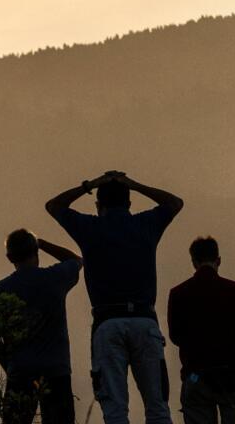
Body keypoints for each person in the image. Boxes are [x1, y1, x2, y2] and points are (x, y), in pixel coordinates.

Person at [46, 171, 183, 424]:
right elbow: (175, 203)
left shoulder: (90, 228)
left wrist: (90, 184)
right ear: (129, 204)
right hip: (144, 321)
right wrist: (135, 184)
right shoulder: (146, 224)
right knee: (158, 408)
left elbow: (54, 206)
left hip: (107, 324)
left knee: (116, 411)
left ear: (99, 205)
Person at [0, 228, 83, 424]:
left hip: (21, 371)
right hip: (55, 370)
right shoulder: (55, 278)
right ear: (36, 252)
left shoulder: (2, 288)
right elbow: (76, 260)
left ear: (10, 258)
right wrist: (41, 242)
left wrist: (9, 365)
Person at [168, 236, 235, 424]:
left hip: (195, 375)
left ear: (194, 262)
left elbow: (176, 336)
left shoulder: (178, 294)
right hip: (232, 374)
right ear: (218, 260)